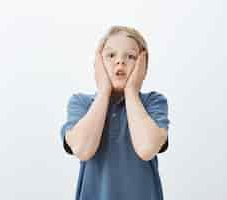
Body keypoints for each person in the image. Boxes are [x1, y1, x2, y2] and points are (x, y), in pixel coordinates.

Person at [60, 25, 170, 200]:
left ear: (143, 67)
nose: (120, 62)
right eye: (111, 55)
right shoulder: (81, 103)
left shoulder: (153, 103)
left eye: (131, 56)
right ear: (98, 64)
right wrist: (104, 90)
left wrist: (132, 91)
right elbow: (83, 149)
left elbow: (147, 148)